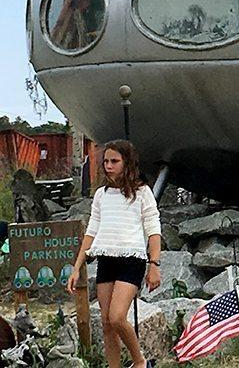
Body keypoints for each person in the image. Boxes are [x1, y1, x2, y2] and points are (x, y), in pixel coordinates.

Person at [67, 140, 161, 368]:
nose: (109, 166)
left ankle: (140, 361)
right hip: (106, 259)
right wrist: (77, 266)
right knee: (107, 324)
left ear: (126, 163)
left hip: (132, 260)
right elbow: (92, 231)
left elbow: (153, 230)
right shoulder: (101, 194)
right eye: (106, 161)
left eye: (114, 161)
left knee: (117, 316)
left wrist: (154, 264)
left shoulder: (142, 192)